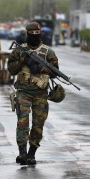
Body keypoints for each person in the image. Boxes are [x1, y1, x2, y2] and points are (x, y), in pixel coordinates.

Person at [7, 22, 59, 165]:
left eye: (37, 34)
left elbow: (55, 72)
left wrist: (42, 68)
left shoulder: (48, 52)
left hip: (40, 93)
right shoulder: (19, 50)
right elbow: (11, 68)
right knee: (22, 122)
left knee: (38, 124)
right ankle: (22, 152)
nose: (35, 36)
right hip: (23, 91)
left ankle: (32, 153)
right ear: (27, 34)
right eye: (32, 34)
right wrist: (23, 60)